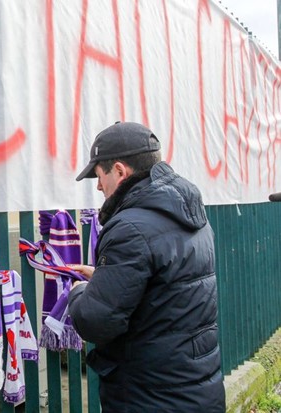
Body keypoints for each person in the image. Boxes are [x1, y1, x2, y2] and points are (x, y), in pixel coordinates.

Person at [68, 121, 225, 412]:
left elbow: (96, 321)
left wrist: (79, 293)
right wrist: (105, 278)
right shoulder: (188, 211)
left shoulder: (129, 227)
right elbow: (163, 287)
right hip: (195, 385)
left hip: (150, 395)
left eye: (99, 176)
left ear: (119, 170)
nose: (99, 186)